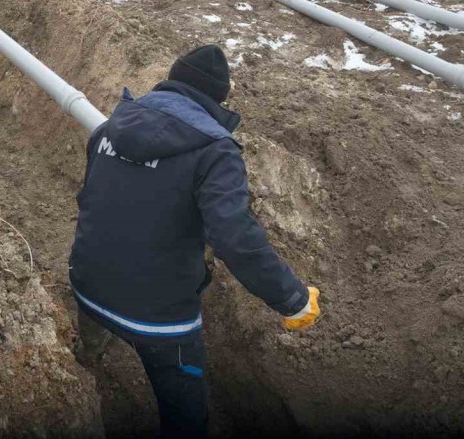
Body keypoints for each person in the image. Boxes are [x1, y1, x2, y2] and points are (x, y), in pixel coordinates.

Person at [69, 43, 322, 438]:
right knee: (186, 415)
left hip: (86, 287)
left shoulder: (107, 129)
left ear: (171, 80)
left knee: (97, 326)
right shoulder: (215, 153)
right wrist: (292, 298)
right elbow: (234, 236)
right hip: (158, 320)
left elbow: (89, 200)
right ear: (216, 99)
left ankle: (88, 356)